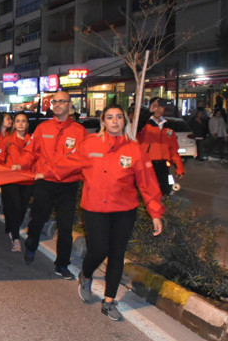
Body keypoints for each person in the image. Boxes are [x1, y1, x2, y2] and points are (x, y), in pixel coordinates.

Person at [53, 105, 164, 321]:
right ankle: (85, 275)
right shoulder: (90, 144)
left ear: (125, 121)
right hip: (95, 208)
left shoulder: (135, 149)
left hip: (124, 210)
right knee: (99, 250)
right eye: (110, 117)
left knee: (117, 254)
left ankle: (109, 301)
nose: (115, 121)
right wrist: (40, 172)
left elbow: (148, 183)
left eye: (119, 117)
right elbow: (66, 164)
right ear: (103, 121)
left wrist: (156, 213)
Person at [19, 90, 88, 279]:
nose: (57, 104)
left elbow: (81, 160)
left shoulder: (79, 132)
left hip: (68, 185)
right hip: (45, 183)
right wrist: (21, 163)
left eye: (61, 101)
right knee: (37, 220)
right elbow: (30, 152)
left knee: (65, 226)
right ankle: (31, 246)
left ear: (69, 104)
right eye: (54, 101)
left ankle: (62, 265)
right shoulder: (43, 128)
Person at [1, 112, 34, 252]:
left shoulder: (33, 141)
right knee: (16, 206)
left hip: (27, 179)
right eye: (18, 121)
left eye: (23, 121)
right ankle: (15, 238)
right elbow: (0, 157)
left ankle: (12, 227)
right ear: (14, 124)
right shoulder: (7, 140)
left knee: (21, 208)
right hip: (11, 179)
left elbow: (35, 157)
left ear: (27, 124)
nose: (20, 123)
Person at [137, 102, 184, 196]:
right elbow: (136, 129)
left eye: (160, 106)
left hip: (163, 164)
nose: (157, 109)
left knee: (164, 191)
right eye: (155, 106)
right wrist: (147, 113)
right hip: (147, 163)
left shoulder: (168, 126)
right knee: (147, 192)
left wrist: (179, 168)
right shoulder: (144, 125)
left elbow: (173, 149)